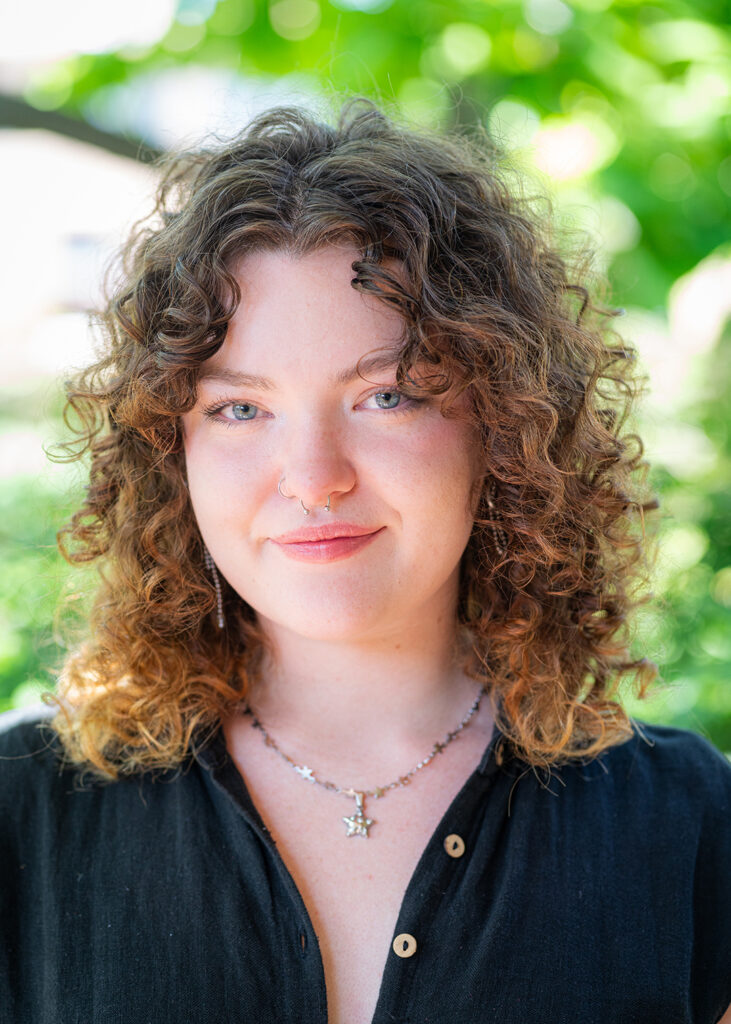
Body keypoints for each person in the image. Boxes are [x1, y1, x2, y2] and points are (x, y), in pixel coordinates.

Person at [1, 99, 729, 1024]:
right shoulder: (21, 808)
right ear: (168, 451)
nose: (313, 478)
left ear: (503, 427)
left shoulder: (692, 829)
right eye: (238, 409)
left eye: (385, 396)